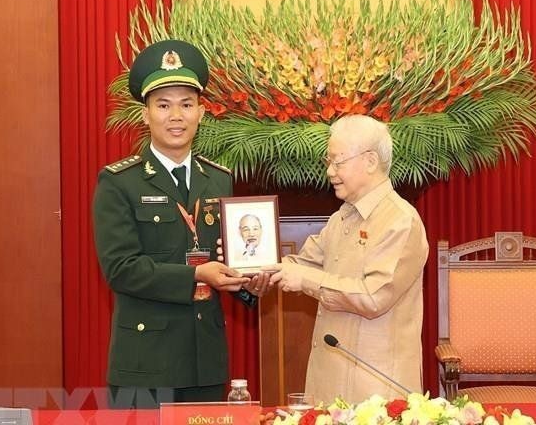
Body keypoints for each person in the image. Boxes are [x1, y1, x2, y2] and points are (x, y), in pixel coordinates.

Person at [93, 39, 270, 407]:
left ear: (201, 112)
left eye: (187, 105)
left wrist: (249, 282)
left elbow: (228, 255)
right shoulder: (119, 182)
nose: (176, 116)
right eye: (163, 105)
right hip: (145, 366)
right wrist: (197, 276)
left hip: (205, 362)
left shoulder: (218, 179)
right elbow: (121, 269)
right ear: (145, 114)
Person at [268, 114, 429, 404]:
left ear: (369, 161)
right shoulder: (342, 216)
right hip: (330, 384)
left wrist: (305, 280)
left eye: (337, 161)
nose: (330, 171)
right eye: (328, 162)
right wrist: (254, 266)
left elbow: (372, 296)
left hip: (376, 392)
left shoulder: (400, 220)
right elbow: (302, 264)